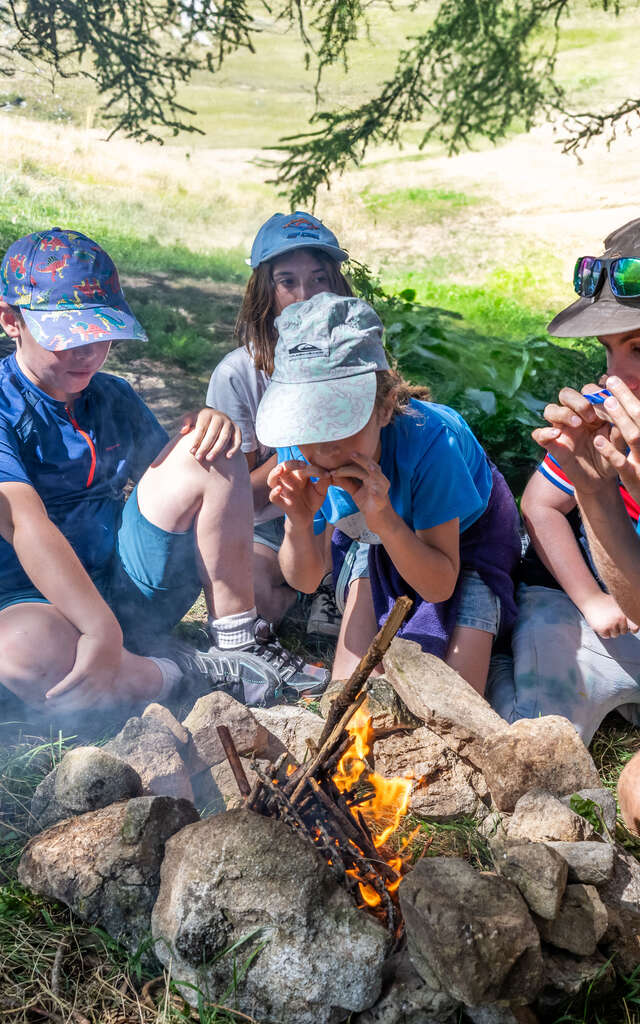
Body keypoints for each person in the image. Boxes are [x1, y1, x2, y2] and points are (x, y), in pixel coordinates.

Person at [0, 227, 328, 717]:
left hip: (127, 588)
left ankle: (238, 646)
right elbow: (25, 525)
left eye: (99, 333)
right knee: (24, 652)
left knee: (209, 445)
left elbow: (187, 484)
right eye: (67, 337)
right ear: (11, 320)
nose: (87, 352)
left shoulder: (113, 396)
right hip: (35, 604)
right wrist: (97, 629)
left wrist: (210, 431)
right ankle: (187, 674)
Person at [255, 291, 521, 694]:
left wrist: (388, 523)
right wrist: (298, 521)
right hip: (373, 532)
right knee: (346, 692)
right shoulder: (298, 443)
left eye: (341, 420)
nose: (325, 447)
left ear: (384, 408)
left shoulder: (435, 445)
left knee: (455, 694)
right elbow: (306, 580)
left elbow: (439, 584)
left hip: (467, 539)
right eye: (311, 423)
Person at [488, 217, 640, 746]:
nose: (614, 376)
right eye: (608, 350)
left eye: (638, 348)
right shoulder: (605, 419)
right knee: (537, 735)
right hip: (582, 604)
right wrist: (592, 599)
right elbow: (541, 505)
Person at [206, 211, 352, 634]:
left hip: (351, 512)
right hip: (272, 523)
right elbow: (236, 501)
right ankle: (305, 590)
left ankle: (329, 584)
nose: (305, 295)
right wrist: (303, 450)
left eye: (319, 278)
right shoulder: (238, 374)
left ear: (337, 285)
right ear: (264, 290)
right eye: (288, 281)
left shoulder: (356, 358)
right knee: (251, 600)